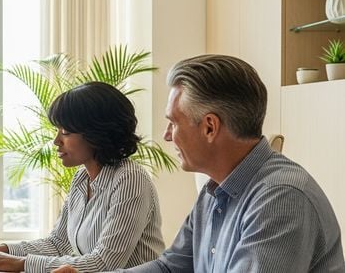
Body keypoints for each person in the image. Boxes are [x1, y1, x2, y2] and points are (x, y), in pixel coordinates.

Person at [58, 54, 345, 273]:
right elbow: (171, 268)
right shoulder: (214, 191)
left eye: (173, 123)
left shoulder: (281, 199)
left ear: (209, 127)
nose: (167, 135)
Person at [0, 82, 165, 273]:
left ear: (97, 132)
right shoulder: (81, 178)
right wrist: (2, 249)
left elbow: (105, 263)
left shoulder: (130, 179)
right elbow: (58, 243)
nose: (56, 141)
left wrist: (23, 264)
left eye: (65, 132)